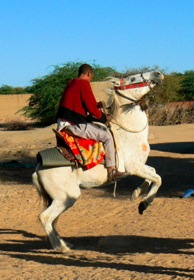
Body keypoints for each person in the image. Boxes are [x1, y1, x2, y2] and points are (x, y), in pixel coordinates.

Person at [56, 63, 125, 182]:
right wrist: (103, 117)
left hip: (63, 123)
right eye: (91, 77)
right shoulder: (83, 84)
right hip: (74, 125)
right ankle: (111, 170)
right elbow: (91, 107)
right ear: (88, 74)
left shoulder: (71, 83)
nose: (90, 79)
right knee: (107, 136)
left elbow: (80, 105)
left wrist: (95, 109)